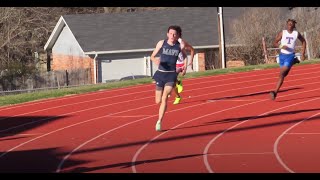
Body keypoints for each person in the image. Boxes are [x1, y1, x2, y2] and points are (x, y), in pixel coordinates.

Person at [151, 25, 187, 131]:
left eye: (174, 34)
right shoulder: (161, 43)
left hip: (171, 75)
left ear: (177, 36)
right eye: (170, 33)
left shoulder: (179, 46)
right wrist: (155, 60)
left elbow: (184, 56)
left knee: (164, 98)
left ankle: (159, 121)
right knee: (158, 101)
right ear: (167, 34)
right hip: (160, 74)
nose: (172, 35)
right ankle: (168, 92)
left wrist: (184, 67)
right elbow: (152, 56)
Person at [270, 19, 306, 100]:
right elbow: (275, 42)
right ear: (287, 25)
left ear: (294, 26)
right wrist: (281, 46)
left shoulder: (296, 33)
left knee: (281, 73)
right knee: (283, 75)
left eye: (291, 24)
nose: (289, 25)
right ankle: (294, 61)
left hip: (290, 55)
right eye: (288, 24)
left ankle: (274, 92)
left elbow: (303, 41)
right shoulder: (283, 33)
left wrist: (303, 53)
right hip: (282, 56)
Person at [172, 38, 195, 105]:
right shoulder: (169, 43)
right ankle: (178, 95)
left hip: (181, 64)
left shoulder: (182, 43)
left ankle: (177, 95)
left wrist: (191, 61)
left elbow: (192, 50)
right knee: (171, 81)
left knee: (172, 78)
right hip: (174, 64)